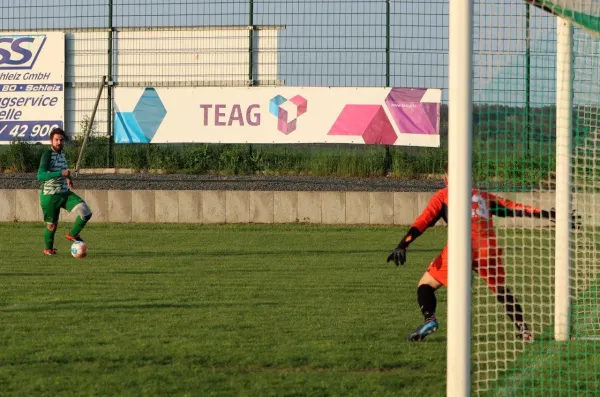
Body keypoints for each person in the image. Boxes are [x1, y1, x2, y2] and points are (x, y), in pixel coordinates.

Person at [387, 163, 579, 343]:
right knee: (502, 290)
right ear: (471, 177)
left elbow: (423, 221)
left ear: (446, 178)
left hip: (460, 249)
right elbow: (516, 208)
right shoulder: (483, 196)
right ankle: (524, 331)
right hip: (488, 249)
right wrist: (551, 215)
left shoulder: (444, 195)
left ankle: (430, 319)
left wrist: (403, 245)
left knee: (426, 284)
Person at [37, 127, 93, 255]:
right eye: (56, 140)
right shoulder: (47, 154)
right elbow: (40, 176)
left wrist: (69, 179)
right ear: (51, 141)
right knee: (52, 226)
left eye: (61, 140)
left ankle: (72, 234)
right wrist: (60, 173)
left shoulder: (62, 154)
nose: (59, 142)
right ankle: (48, 249)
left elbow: (65, 170)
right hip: (50, 196)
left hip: (64, 192)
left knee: (86, 212)